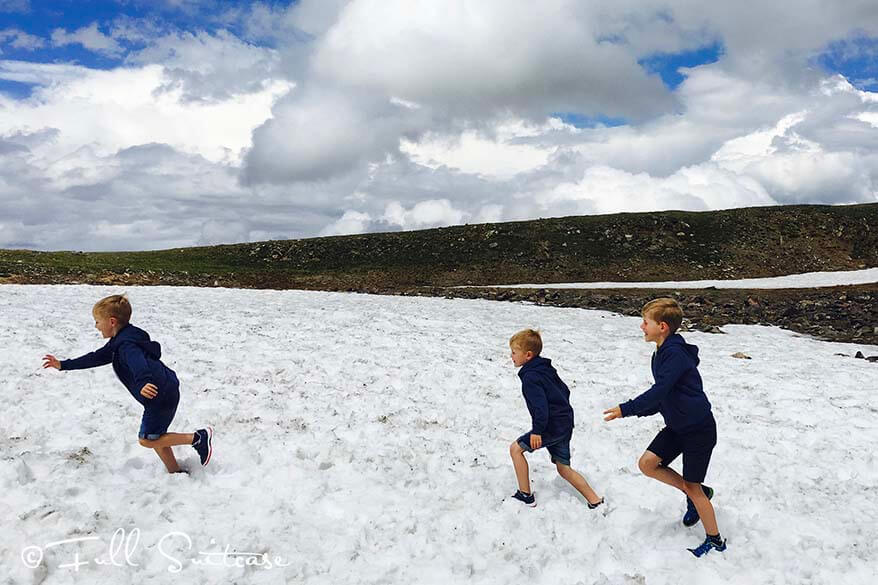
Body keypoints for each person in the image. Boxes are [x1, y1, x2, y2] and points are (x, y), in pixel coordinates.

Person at [603, 298, 725, 557]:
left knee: (692, 487)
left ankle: (715, 540)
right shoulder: (660, 353)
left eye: (645, 322)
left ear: (662, 326)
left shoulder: (675, 355)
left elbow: (659, 391)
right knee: (647, 464)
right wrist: (632, 412)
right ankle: (697, 493)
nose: (641, 327)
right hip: (678, 425)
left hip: (698, 430)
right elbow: (664, 398)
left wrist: (628, 408)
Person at [42, 294, 212, 473]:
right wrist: (63, 365)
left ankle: (197, 438)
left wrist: (143, 382)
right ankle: (174, 471)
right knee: (156, 436)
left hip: (159, 393)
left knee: (147, 439)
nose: (96, 326)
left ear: (112, 321)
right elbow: (95, 357)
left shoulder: (126, 345)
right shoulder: (123, 339)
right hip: (164, 389)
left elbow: (138, 363)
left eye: (98, 321)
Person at [508, 329, 603, 509]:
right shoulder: (545, 368)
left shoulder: (531, 377)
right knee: (563, 468)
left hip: (550, 427)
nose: (511, 356)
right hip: (564, 423)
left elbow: (540, 408)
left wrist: (537, 431)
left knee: (515, 449)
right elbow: (565, 390)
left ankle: (525, 495)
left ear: (528, 355)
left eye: (514, 352)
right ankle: (595, 501)